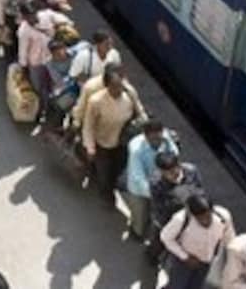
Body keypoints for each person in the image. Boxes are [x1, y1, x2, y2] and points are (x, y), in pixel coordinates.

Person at [82, 66, 147, 208]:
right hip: (103, 144)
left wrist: (144, 123)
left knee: (118, 170)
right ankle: (106, 195)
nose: (118, 90)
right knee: (104, 174)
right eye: (114, 87)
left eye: (120, 86)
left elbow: (140, 112)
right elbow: (88, 126)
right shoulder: (96, 101)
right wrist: (90, 148)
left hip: (123, 144)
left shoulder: (130, 93)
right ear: (106, 86)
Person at [160, 195, 235, 289]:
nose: (205, 221)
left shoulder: (224, 216)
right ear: (192, 214)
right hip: (183, 262)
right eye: (200, 218)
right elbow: (165, 237)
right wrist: (185, 257)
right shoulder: (181, 219)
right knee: (177, 286)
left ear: (212, 210)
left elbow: (229, 238)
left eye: (208, 216)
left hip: (206, 262)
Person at [124, 118, 179, 240]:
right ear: (146, 136)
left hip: (158, 183)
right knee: (140, 217)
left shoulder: (165, 139)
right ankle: (136, 233)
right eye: (153, 140)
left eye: (159, 139)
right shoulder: (136, 149)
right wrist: (155, 194)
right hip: (139, 189)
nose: (157, 143)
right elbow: (138, 177)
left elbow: (174, 154)